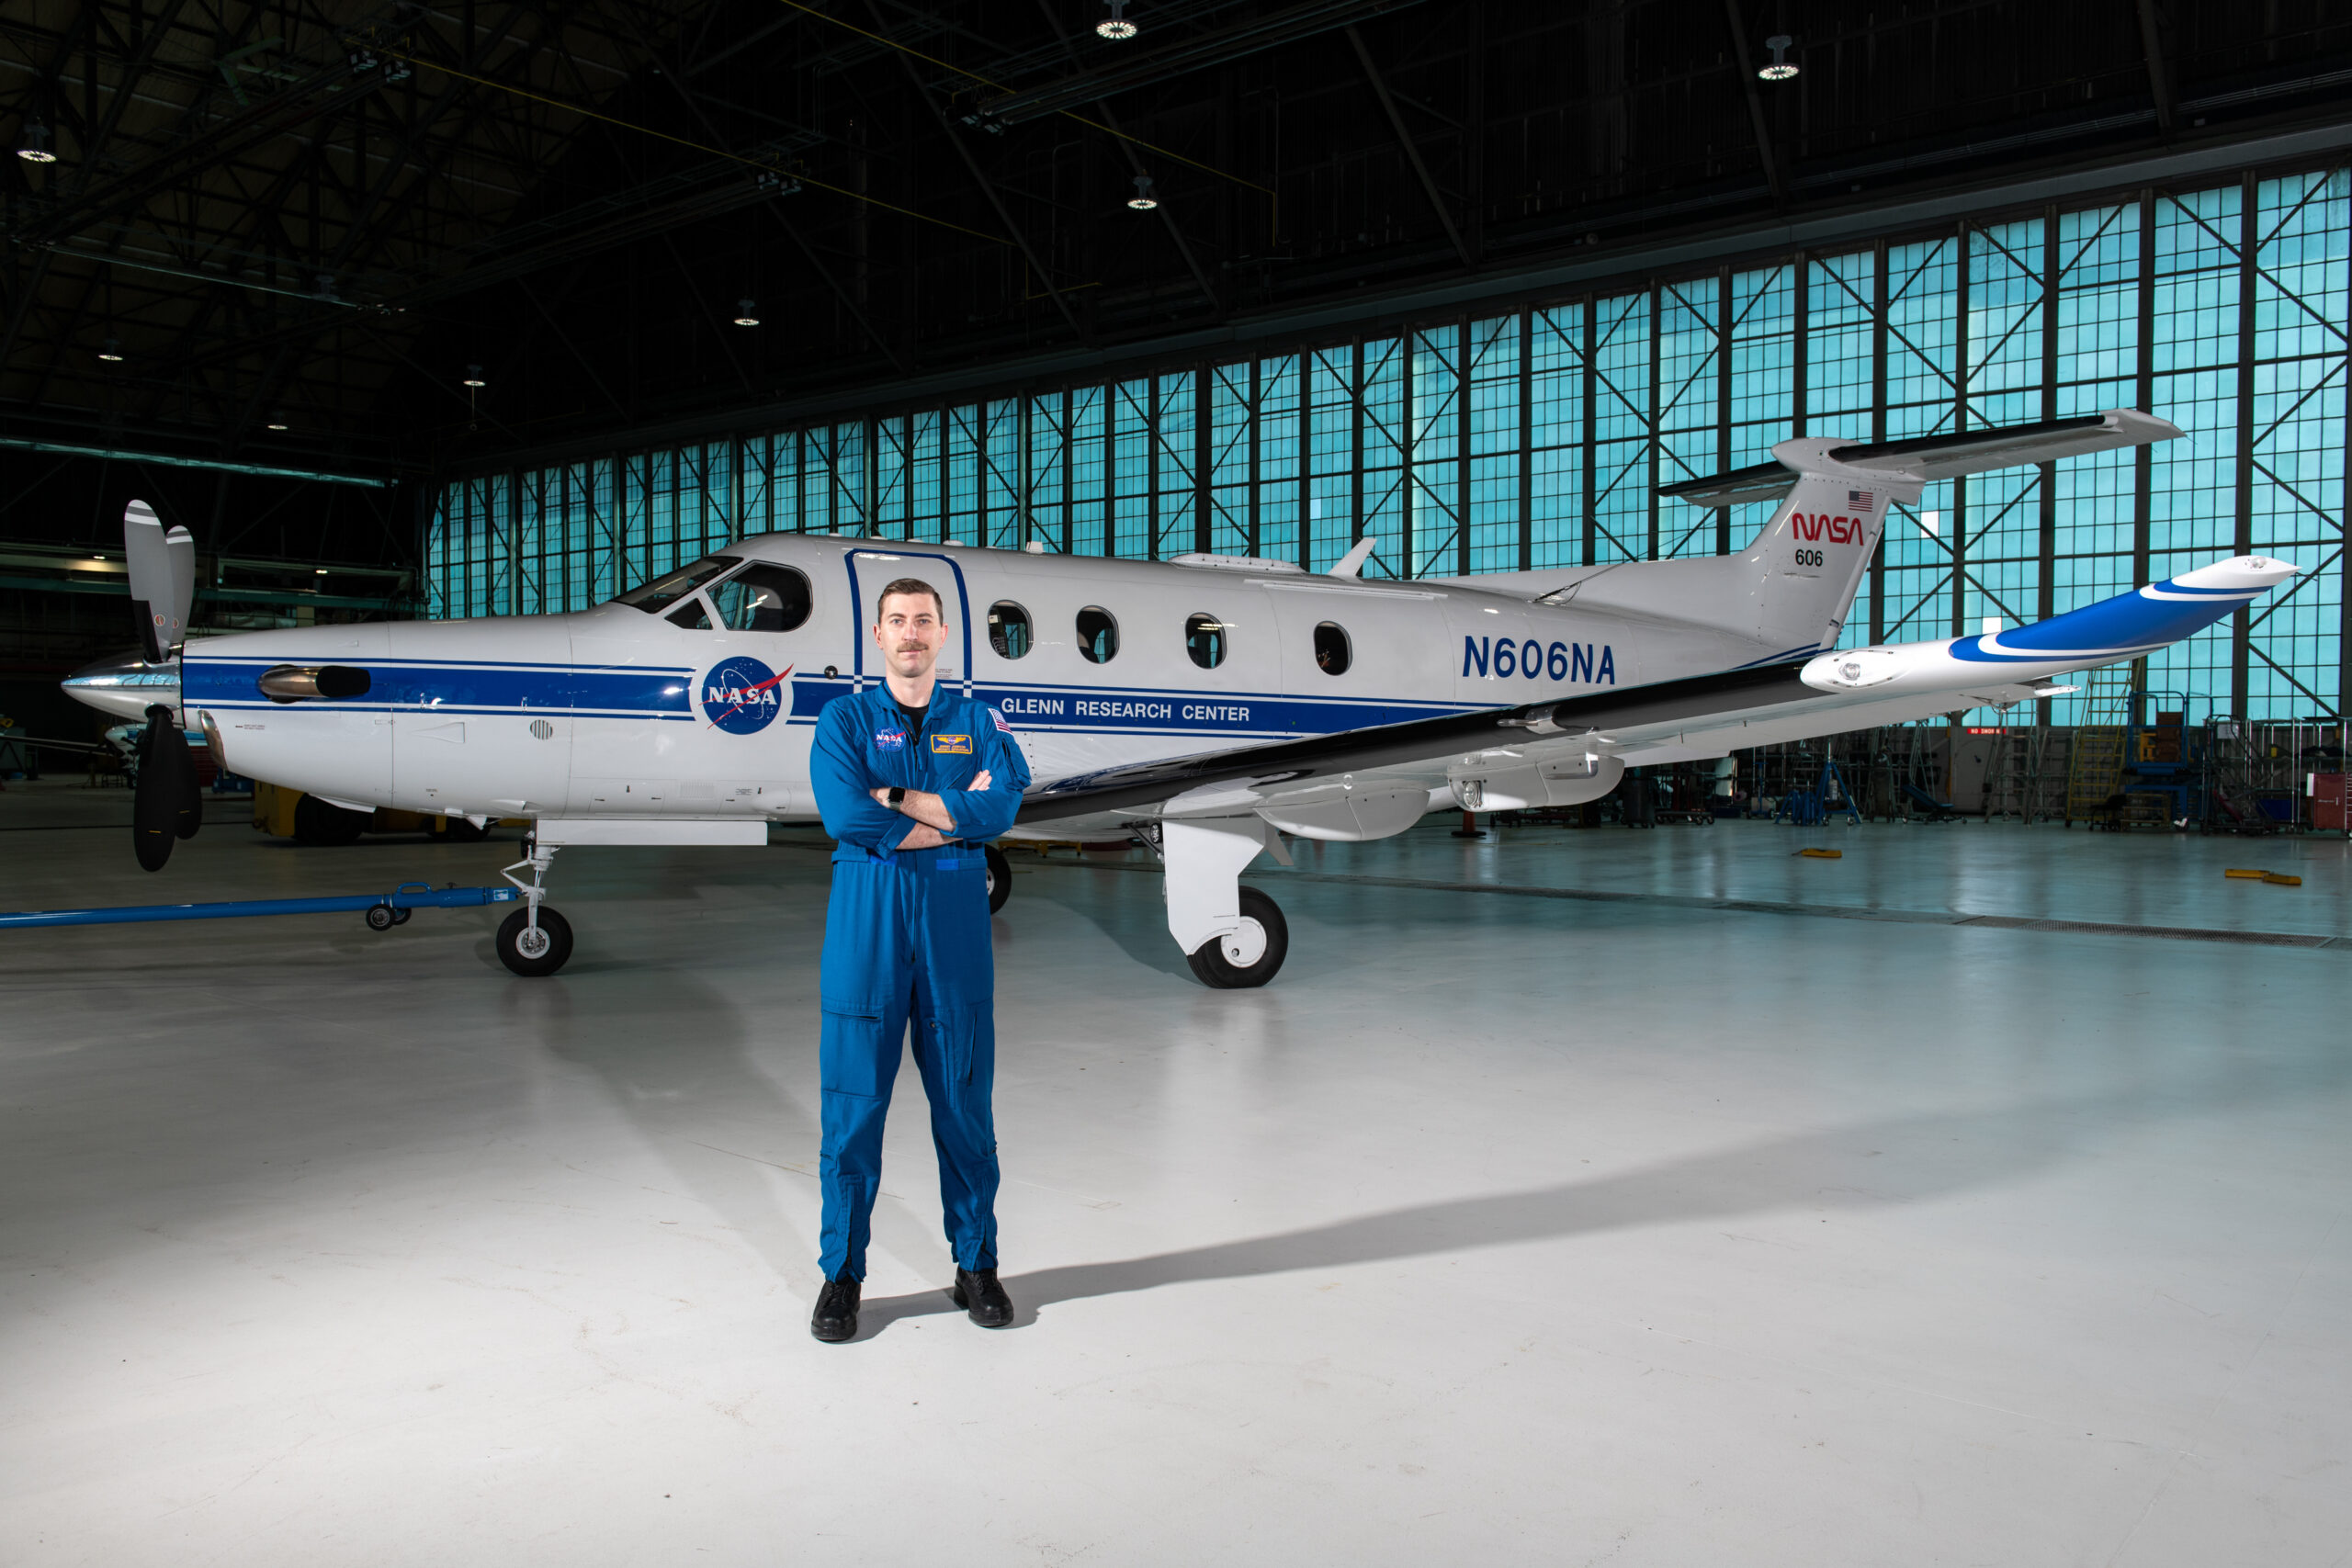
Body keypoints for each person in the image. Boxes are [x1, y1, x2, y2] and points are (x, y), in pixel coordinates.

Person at [805, 578, 1032, 1343]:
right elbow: (844, 812)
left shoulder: (977, 719)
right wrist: (948, 816)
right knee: (854, 1106)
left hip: (953, 924)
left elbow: (1001, 806)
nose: (910, 633)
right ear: (877, 635)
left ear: (943, 634)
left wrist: (895, 794)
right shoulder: (843, 719)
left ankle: (977, 1265)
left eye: (923, 621)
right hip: (867, 920)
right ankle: (842, 1276)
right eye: (896, 621)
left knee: (965, 1103)